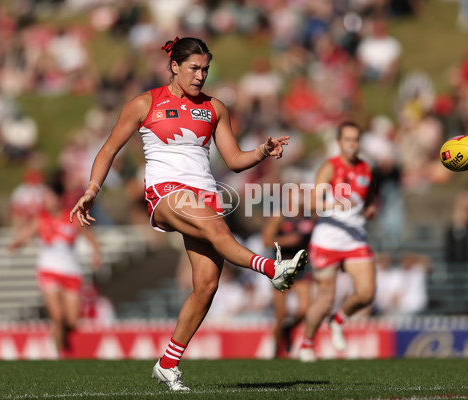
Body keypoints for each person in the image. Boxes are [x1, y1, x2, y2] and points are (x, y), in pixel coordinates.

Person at [69, 37, 307, 391]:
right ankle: (273, 268)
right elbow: (108, 150)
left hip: (206, 194)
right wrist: (91, 190)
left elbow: (235, 161)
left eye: (206, 69)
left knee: (206, 286)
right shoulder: (143, 103)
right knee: (217, 232)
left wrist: (261, 150)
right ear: (175, 66)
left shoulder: (215, 107)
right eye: (194, 68)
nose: (200, 76)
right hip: (166, 193)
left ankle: (167, 364)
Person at [299, 121, 377, 362]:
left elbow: (368, 198)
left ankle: (339, 319)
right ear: (339, 142)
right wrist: (334, 204)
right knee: (324, 301)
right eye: (347, 140)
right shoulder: (330, 167)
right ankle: (307, 343)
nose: (352, 144)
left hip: (354, 238)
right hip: (328, 239)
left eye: (356, 140)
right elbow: (311, 203)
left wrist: (370, 209)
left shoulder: (366, 168)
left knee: (366, 293)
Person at [8, 179, 101, 357]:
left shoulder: (72, 218)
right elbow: (24, 235)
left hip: (71, 272)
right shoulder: (40, 220)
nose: (45, 201)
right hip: (48, 271)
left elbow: (92, 239)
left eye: (49, 197)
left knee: (73, 320)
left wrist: (96, 255)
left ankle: (62, 343)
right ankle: (58, 354)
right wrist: (14, 245)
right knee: (57, 317)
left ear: (58, 199)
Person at [261, 186, 314, 358]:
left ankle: (289, 329)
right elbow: (267, 240)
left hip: (301, 267)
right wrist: (286, 240)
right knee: (281, 313)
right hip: (281, 267)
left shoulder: (310, 216)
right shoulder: (280, 216)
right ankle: (276, 349)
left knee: (305, 309)